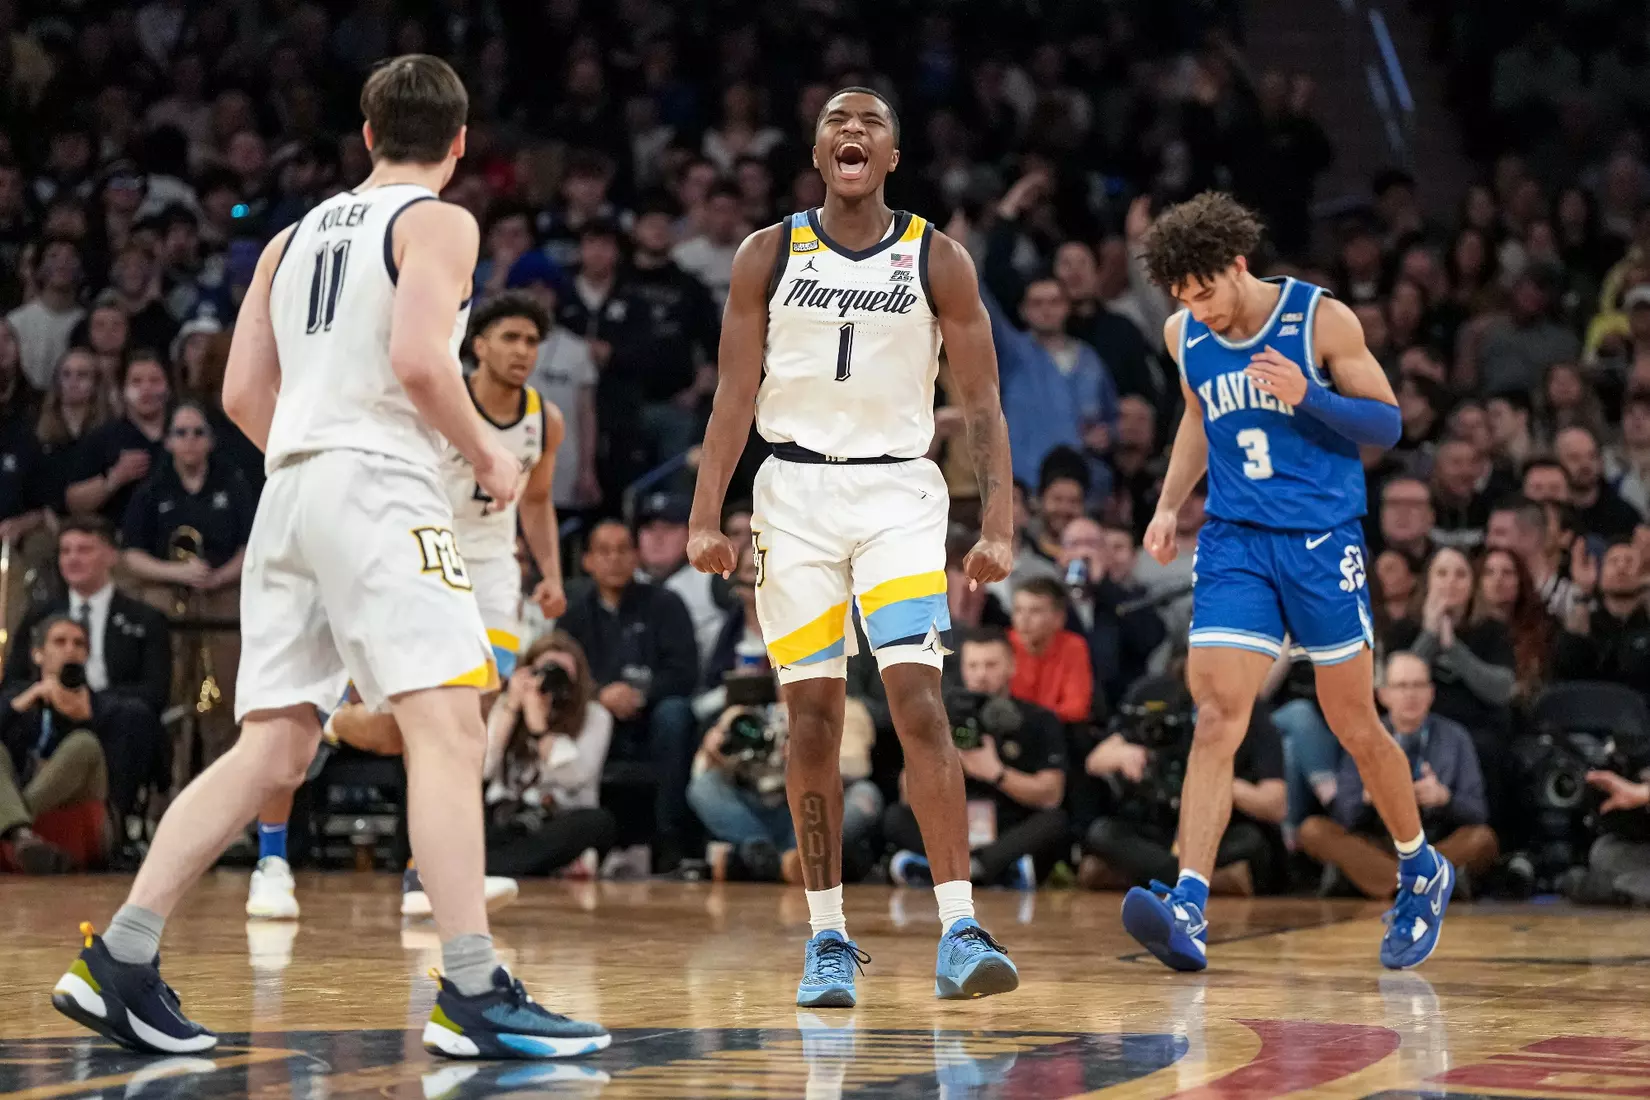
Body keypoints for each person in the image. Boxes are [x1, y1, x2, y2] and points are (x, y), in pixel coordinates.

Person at [49, 55, 607, 1060]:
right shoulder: (440, 219)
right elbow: (417, 358)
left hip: (291, 486)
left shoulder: (290, 236)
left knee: (275, 744)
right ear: (459, 142)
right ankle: (475, 988)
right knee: (446, 725)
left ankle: (120, 957)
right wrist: (485, 454)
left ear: (365, 135)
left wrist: (318, 468)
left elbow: (237, 400)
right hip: (378, 478)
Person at [686, 86, 1021, 1008]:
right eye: (838, 120)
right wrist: (705, 513)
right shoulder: (767, 252)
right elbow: (731, 396)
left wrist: (997, 526)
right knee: (812, 723)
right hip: (790, 495)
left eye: (871, 122)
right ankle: (827, 937)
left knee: (918, 701)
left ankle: (960, 926)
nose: (853, 131)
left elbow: (984, 404)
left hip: (899, 496)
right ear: (817, 150)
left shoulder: (935, 257)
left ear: (893, 156)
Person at [1123, 192, 1451, 973]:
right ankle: (1189, 906)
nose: (1195, 311)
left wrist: (1310, 397)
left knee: (1354, 724)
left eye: (1205, 293)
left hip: (1320, 539)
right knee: (1214, 717)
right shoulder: (1184, 335)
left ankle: (1419, 867)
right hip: (1236, 541)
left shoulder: (1320, 320)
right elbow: (1199, 419)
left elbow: (1388, 424)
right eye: (1182, 300)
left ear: (1237, 266)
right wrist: (1170, 505)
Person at [250, 290, 569, 922]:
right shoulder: (436, 395)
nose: (521, 352)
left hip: (490, 574)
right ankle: (285, 830)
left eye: (531, 342)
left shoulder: (543, 418)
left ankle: (430, 875)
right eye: (509, 337)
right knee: (379, 723)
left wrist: (552, 573)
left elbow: (535, 500)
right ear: (475, 344)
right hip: (415, 555)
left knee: (467, 724)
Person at [121, 401, 257, 781]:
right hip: (171, 601)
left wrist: (216, 578)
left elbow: (251, 548)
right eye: (181, 432)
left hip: (222, 600)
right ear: (168, 441)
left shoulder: (233, 484)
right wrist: (175, 571)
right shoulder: (153, 490)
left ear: (211, 441)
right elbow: (130, 555)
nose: (190, 441)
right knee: (175, 702)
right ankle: (167, 799)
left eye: (198, 432)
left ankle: (228, 801)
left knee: (224, 702)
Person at [6, 519, 170, 827]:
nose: (72, 558)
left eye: (83, 549)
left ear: (110, 556)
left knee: (133, 717)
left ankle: (114, 826)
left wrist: (92, 704)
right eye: (65, 551)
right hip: (43, 713)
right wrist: (43, 694)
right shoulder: (38, 615)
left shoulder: (146, 619)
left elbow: (155, 692)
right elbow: (13, 681)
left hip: (110, 718)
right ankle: (19, 827)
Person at [558, 519, 699, 871]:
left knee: (676, 714)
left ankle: (669, 841)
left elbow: (684, 672)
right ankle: (572, 835)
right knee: (575, 715)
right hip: (595, 719)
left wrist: (640, 695)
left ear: (636, 556)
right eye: (604, 551)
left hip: (651, 720)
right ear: (588, 560)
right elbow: (561, 673)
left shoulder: (667, 605)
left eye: (623, 550)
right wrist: (598, 696)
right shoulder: (573, 617)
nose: (615, 559)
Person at [1299, 652, 1499, 898]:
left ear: (1431, 693)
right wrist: (1369, 796)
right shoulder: (1363, 737)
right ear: (1383, 694)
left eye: (1418, 685)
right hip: (1377, 845)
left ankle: (1389, 882)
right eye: (1401, 686)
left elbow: (1478, 811)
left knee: (1483, 839)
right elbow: (1343, 813)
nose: (1410, 694)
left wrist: (1443, 798)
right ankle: (1418, 883)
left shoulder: (1455, 737)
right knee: (1312, 830)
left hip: (1434, 843)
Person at [885, 629, 1066, 890]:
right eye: (973, 665)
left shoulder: (1039, 719)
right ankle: (987, 871)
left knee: (1055, 821)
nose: (981, 674)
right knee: (894, 817)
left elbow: (1052, 794)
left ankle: (954, 871)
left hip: (1007, 828)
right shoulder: (937, 715)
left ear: (1011, 666)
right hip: (952, 825)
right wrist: (943, 766)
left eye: (991, 665)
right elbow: (907, 794)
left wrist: (996, 773)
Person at [1082, 673, 1286, 896]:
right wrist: (1124, 754)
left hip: (1215, 833)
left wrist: (1223, 785)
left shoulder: (1251, 711)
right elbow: (1095, 761)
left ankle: (1138, 878)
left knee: (1251, 841)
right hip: (1155, 827)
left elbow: (1275, 805)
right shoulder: (1156, 694)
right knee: (1101, 832)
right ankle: (1200, 882)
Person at [482, 631, 616, 878]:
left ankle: (491, 867)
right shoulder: (507, 707)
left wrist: (539, 729)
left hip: (561, 816)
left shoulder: (595, 716)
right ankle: (543, 866)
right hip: (508, 816)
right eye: (545, 671)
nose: (553, 681)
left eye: (563, 673)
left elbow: (575, 777)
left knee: (599, 823)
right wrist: (512, 709)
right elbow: (484, 769)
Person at [0, 616, 108, 873]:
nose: (70, 649)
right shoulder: (15, 696)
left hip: (75, 795)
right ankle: (23, 837)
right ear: (38, 654)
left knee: (85, 743)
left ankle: (15, 828)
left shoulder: (101, 704)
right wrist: (24, 702)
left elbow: (116, 772)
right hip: (22, 780)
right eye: (60, 642)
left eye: (79, 644)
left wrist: (86, 720)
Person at [63, 351, 172, 525]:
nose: (146, 389)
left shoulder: (186, 431)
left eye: (155, 381)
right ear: (123, 390)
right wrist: (114, 478)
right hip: (118, 536)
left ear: (168, 388)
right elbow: (73, 501)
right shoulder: (102, 437)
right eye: (136, 382)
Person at [1007, 577, 1094, 725]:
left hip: (1060, 731)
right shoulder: (1004, 645)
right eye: (1018, 610)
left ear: (1058, 618)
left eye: (1035, 611)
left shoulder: (1073, 647)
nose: (1024, 620)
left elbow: (1077, 708)